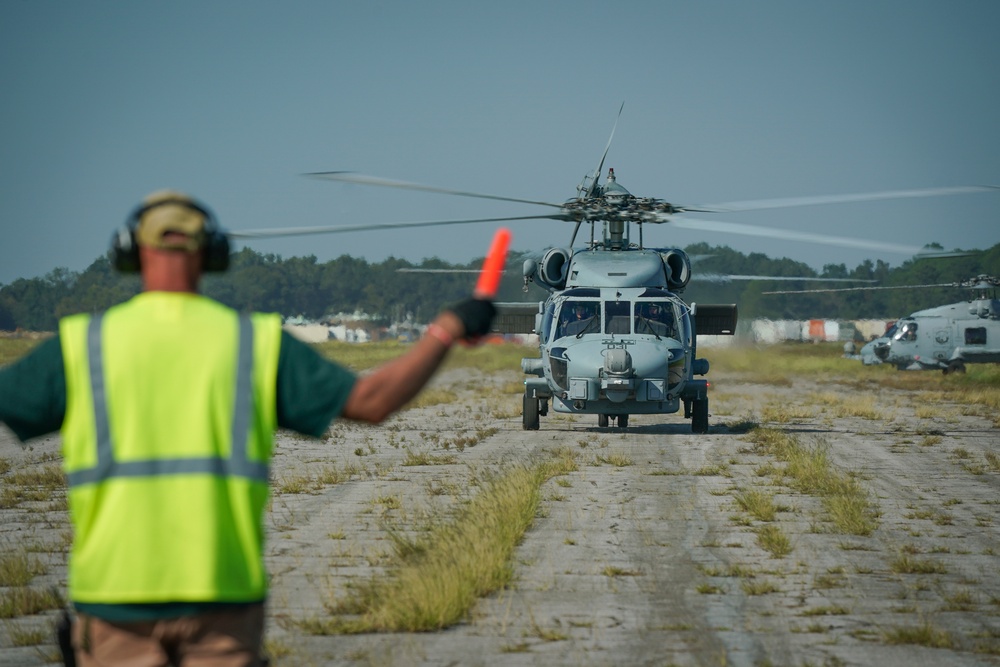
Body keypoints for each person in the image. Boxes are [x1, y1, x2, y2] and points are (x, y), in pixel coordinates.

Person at [0, 190, 496, 667]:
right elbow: (373, 401)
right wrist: (446, 328)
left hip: (112, 597)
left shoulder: (81, 345)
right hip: (224, 596)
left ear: (130, 253)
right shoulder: (253, 343)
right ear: (212, 254)